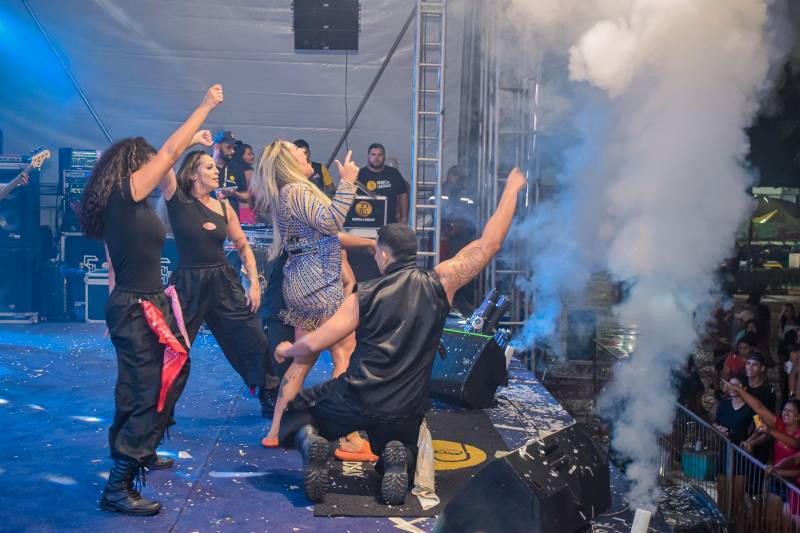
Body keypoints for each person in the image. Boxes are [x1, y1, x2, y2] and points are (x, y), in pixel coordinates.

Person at [273, 167, 528, 505]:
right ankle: (398, 455)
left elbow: (317, 340)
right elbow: (490, 243)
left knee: (297, 413)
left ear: (383, 254)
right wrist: (511, 190)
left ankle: (313, 442)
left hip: (357, 397)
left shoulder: (363, 294)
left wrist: (288, 348)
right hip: (407, 406)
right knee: (401, 439)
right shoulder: (442, 282)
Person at [80, 84, 223, 516]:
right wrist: (204, 107)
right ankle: (119, 485)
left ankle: (141, 450)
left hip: (139, 303)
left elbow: (112, 265)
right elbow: (170, 151)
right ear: (133, 167)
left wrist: (113, 316)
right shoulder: (126, 194)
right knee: (147, 389)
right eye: (150, 162)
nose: (157, 166)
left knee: (150, 382)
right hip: (137, 306)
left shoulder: (129, 205)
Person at [248, 141, 363, 452]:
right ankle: (349, 437)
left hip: (302, 284)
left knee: (302, 359)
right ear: (288, 160)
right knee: (344, 354)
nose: (304, 152)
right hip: (319, 284)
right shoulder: (297, 191)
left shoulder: (287, 193)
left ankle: (275, 431)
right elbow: (331, 223)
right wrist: (347, 183)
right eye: (297, 151)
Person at [159, 149, 275, 415]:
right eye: (209, 167)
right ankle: (161, 407)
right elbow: (166, 159)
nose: (217, 171)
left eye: (216, 167)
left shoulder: (223, 207)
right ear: (193, 173)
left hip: (223, 281)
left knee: (254, 337)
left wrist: (254, 284)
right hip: (188, 284)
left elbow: (243, 246)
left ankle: (268, 392)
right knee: (174, 346)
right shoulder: (177, 200)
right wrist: (194, 139)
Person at [357, 143, 409, 224]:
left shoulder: (394, 173)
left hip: (390, 223)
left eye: (379, 155)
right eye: (373, 154)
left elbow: (403, 194)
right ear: (368, 156)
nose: (376, 158)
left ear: (384, 156)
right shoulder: (359, 175)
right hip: (366, 223)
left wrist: (404, 217)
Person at [213, 130, 249, 215]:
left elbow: (246, 196)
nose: (233, 151)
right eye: (229, 147)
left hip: (231, 218)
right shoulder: (205, 165)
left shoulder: (237, 168)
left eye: (233, 147)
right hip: (209, 217)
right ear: (217, 147)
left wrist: (235, 194)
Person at [713, 374, 754, 445]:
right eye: (730, 385)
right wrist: (719, 429)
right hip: (720, 444)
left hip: (739, 447)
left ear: (744, 388)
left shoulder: (751, 407)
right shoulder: (723, 403)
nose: (732, 388)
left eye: (735, 385)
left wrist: (750, 441)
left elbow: (759, 425)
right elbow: (715, 422)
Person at [229, 141, 256, 223]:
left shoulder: (231, 171)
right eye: (249, 154)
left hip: (232, 210)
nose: (252, 156)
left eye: (252, 154)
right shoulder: (250, 173)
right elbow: (255, 195)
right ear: (240, 156)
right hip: (246, 210)